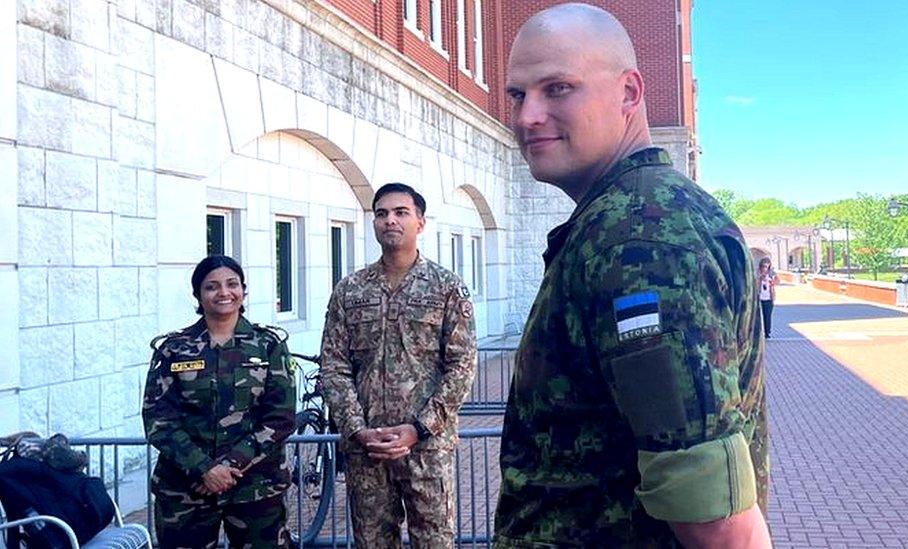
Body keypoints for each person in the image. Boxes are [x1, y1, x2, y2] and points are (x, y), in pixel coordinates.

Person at [493, 4, 771, 548]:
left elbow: (712, 512)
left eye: (558, 88)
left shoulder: (642, 238)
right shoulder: (627, 217)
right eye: (517, 95)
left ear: (629, 93)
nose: (527, 116)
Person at [319, 182, 477, 548]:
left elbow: (461, 365)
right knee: (372, 543)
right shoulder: (350, 291)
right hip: (368, 450)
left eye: (401, 212)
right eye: (382, 213)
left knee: (434, 541)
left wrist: (420, 427)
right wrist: (357, 429)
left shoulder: (446, 288)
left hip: (426, 449)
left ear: (420, 222)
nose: (390, 220)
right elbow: (334, 366)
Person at [143, 255, 296, 548]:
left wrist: (227, 466)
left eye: (232, 284)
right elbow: (158, 419)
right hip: (186, 490)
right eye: (211, 286)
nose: (224, 293)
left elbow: (280, 417)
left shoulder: (269, 345)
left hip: (255, 487)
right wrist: (203, 468)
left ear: (243, 290)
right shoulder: (174, 349)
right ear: (198, 295)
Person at [758, 257, 779, 339]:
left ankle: (767, 332)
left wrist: (772, 282)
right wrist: (760, 278)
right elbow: (755, 284)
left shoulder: (771, 275)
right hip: (760, 299)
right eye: (763, 266)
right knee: (760, 317)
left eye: (767, 267)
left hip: (769, 299)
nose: (765, 269)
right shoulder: (758, 275)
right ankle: (760, 332)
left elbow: (778, 280)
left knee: (767, 316)